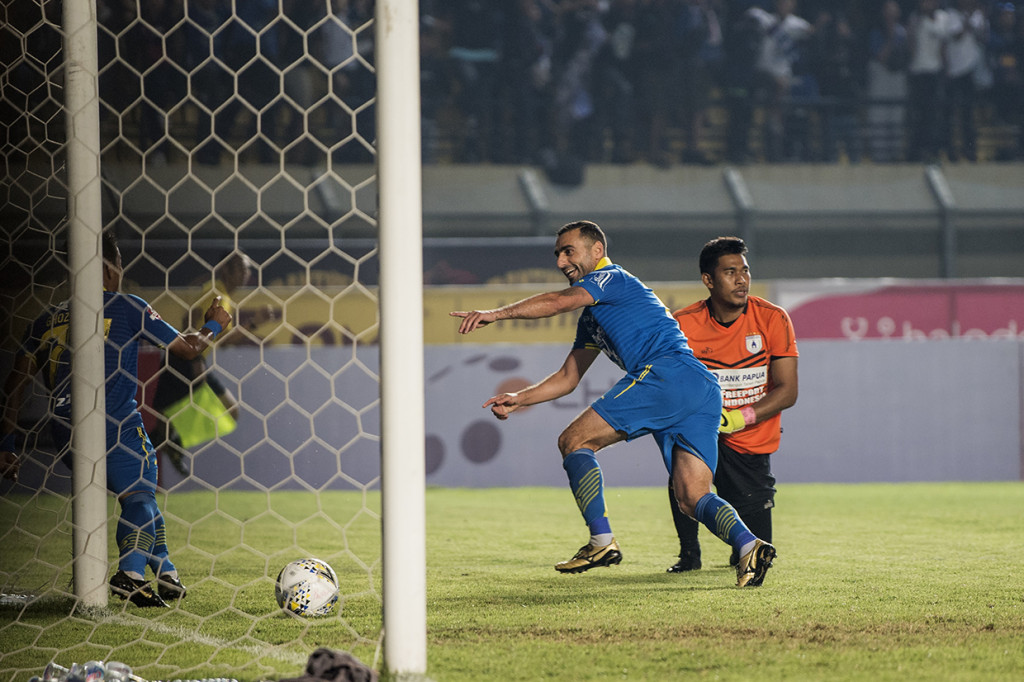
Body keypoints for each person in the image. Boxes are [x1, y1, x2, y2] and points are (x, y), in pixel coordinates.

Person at [450, 220, 776, 587]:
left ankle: (601, 541)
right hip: (699, 388)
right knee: (691, 496)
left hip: (666, 375)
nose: (561, 261)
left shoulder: (612, 278)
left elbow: (559, 301)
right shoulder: (593, 317)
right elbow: (568, 379)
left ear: (597, 252)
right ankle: (750, 545)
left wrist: (496, 314)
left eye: (568, 251)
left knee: (573, 442)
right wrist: (518, 398)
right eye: (557, 253)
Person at [0, 232, 232, 607]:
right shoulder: (127, 307)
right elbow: (190, 349)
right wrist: (214, 325)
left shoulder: (42, 321)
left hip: (66, 434)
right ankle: (131, 574)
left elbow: (14, 385)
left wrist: (7, 445)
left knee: (137, 496)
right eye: (120, 264)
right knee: (141, 495)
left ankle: (167, 571)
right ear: (108, 269)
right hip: (115, 423)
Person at [666, 237, 798, 572]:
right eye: (730, 272)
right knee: (684, 479)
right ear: (708, 280)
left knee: (760, 550)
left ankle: (740, 548)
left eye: (745, 271)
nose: (742, 280)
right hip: (702, 432)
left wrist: (740, 418)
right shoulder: (682, 324)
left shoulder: (773, 318)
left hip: (749, 438)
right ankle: (689, 555)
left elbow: (787, 390)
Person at [151, 252, 264, 476]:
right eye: (240, 268)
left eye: (247, 269)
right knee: (167, 414)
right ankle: (162, 446)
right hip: (184, 358)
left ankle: (169, 442)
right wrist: (193, 356)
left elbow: (222, 340)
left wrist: (252, 324)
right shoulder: (215, 293)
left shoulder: (227, 300)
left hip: (193, 358)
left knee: (230, 411)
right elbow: (188, 319)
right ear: (226, 270)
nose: (245, 273)